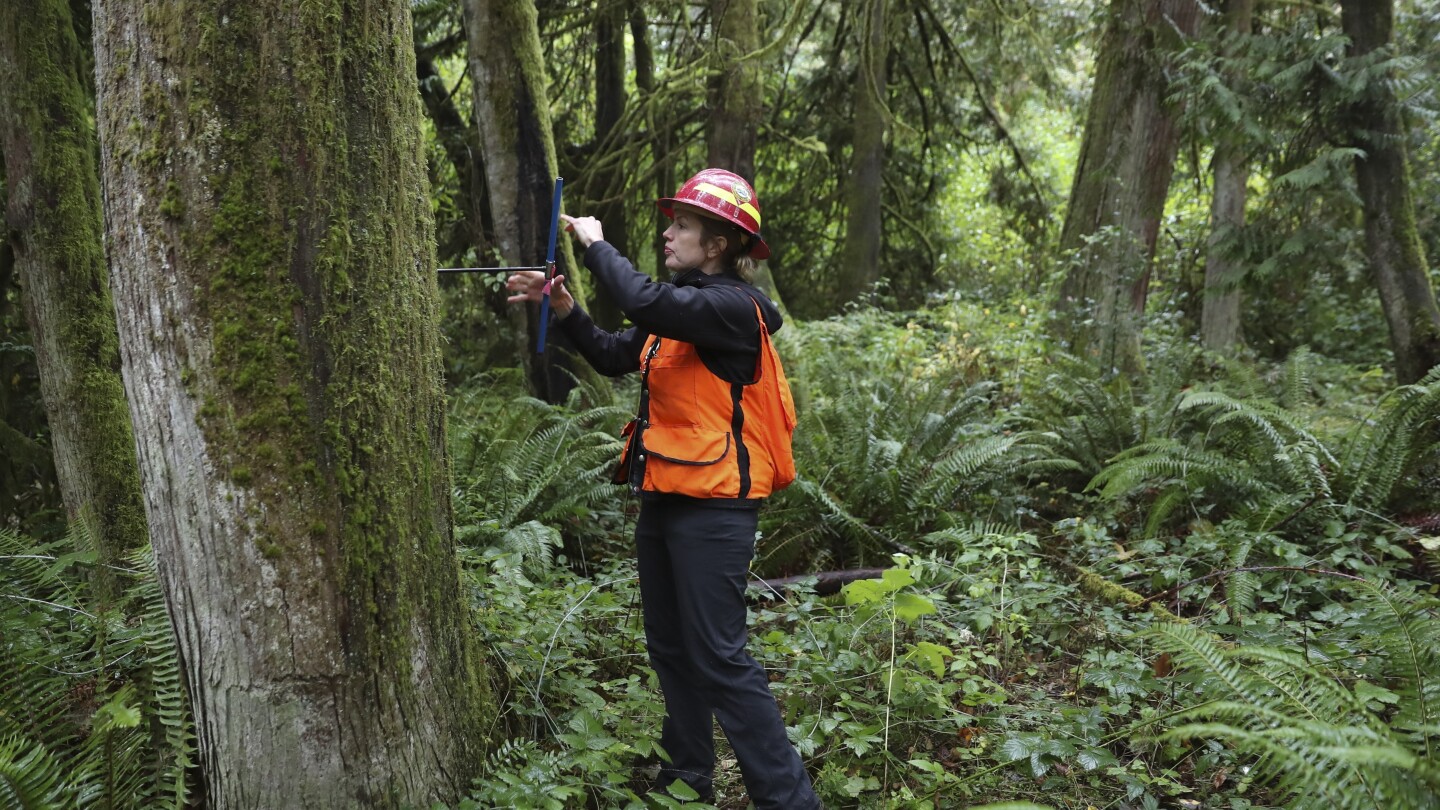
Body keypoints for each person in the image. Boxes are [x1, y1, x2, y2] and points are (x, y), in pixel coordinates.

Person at [506, 168, 821, 809]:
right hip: (667, 495)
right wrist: (564, 308)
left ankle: (790, 801)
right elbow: (617, 352)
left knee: (720, 657)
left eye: (683, 225)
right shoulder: (682, 310)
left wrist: (595, 245)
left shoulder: (731, 309)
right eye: (672, 221)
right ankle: (688, 778)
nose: (670, 233)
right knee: (671, 647)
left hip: (718, 508)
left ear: (720, 245)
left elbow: (644, 302)